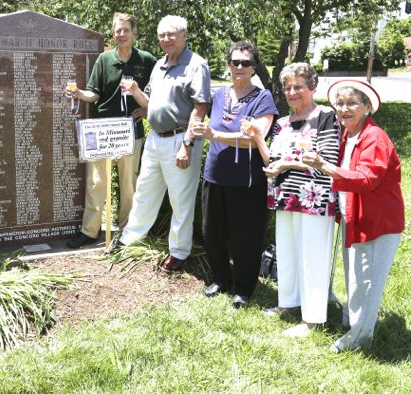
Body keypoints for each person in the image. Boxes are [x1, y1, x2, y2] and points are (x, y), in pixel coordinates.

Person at [302, 80, 404, 352]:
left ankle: (359, 339)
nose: (344, 109)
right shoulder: (349, 135)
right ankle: (353, 324)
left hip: (377, 222)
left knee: (367, 281)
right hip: (354, 217)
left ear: (367, 108)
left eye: (352, 103)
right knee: (356, 277)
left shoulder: (375, 137)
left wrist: (325, 167)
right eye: (340, 103)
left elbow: (367, 179)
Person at [252, 63, 340, 337]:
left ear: (312, 87)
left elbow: (327, 159)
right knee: (288, 253)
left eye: (298, 87)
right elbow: (272, 160)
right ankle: (288, 303)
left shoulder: (326, 116)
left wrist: (284, 167)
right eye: (288, 87)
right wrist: (257, 138)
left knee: (312, 256)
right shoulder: (281, 124)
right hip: (285, 196)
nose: (292, 92)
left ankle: (312, 318)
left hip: (314, 197)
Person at [117, 15, 211, 272]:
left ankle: (179, 252)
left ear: (184, 35)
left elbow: (200, 107)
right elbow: (149, 103)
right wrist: (136, 91)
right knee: (145, 191)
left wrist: (188, 144)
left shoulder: (196, 65)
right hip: (155, 139)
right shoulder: (159, 65)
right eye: (161, 35)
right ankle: (131, 238)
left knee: (180, 199)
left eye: (171, 34)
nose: (165, 40)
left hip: (181, 139)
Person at [192, 42, 278, 308]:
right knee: (212, 231)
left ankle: (243, 286)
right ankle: (221, 278)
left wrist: (214, 135)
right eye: (235, 62)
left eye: (246, 63)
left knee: (245, 235)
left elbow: (256, 138)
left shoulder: (263, 98)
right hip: (215, 174)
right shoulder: (219, 94)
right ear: (228, 65)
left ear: (254, 68)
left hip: (247, 180)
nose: (239, 67)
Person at [64, 12, 156, 249]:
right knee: (96, 183)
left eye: (126, 30)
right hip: (102, 130)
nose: (121, 34)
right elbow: (94, 94)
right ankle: (89, 231)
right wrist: (78, 94)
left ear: (134, 32)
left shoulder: (147, 60)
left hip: (130, 131)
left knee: (128, 184)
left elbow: (156, 96)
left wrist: (147, 112)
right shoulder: (104, 59)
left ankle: (127, 231)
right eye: (117, 30)